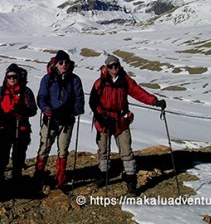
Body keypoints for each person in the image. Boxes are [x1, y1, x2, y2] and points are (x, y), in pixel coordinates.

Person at [89, 55, 167, 196]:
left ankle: (131, 181)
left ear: (119, 65)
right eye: (111, 66)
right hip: (104, 121)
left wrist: (154, 101)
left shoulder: (125, 80)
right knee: (103, 151)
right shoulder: (99, 83)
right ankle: (103, 176)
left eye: (116, 65)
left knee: (126, 151)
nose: (114, 68)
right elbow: (93, 102)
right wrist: (103, 116)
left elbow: (138, 92)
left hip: (121, 120)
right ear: (106, 67)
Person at [34, 50, 85, 189]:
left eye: (66, 62)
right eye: (61, 63)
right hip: (51, 120)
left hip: (67, 120)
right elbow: (42, 97)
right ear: (55, 64)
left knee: (63, 149)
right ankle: (38, 176)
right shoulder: (48, 79)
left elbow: (79, 97)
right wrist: (45, 108)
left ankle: (61, 178)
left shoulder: (75, 79)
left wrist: (76, 110)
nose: (64, 65)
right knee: (44, 147)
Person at [0, 63, 37, 198]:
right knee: (2, 156)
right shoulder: (1, 91)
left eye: (14, 77)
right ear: (6, 77)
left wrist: (24, 111)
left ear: (19, 77)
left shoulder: (26, 91)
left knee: (18, 156)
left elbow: (33, 109)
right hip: (5, 128)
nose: (12, 79)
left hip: (20, 128)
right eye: (9, 76)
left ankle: (16, 180)